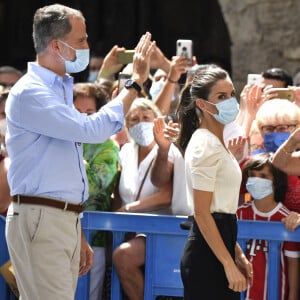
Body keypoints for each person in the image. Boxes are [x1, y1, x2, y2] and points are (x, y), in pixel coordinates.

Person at [4, 3, 154, 300]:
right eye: (81, 40)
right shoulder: (32, 91)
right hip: (42, 217)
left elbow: (64, 163)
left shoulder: (56, 89)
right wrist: (134, 83)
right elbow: (92, 130)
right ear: (56, 45)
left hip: (56, 218)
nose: (87, 46)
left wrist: (74, 227)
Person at [178, 65, 252, 299]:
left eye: (231, 94)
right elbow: (202, 213)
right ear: (202, 104)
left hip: (221, 245)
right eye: (221, 96)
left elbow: (222, 208)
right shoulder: (204, 144)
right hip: (206, 255)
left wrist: (236, 254)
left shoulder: (216, 143)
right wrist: (228, 264)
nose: (230, 101)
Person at [112, 98, 180, 300]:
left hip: (159, 228)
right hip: (128, 229)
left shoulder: (169, 150)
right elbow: (117, 194)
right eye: (133, 119)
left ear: (157, 121)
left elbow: (166, 195)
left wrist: (128, 210)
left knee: (123, 256)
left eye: (145, 117)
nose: (139, 122)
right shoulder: (125, 151)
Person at [73, 82, 119, 300]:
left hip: (94, 237)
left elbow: (92, 186)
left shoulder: (108, 147)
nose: (82, 117)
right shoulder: (59, 138)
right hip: (56, 229)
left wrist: (69, 155)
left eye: (89, 113)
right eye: (76, 112)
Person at [237, 152, 300, 300]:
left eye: (263, 176)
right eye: (252, 175)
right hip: (244, 294)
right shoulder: (239, 214)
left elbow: (293, 263)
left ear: (276, 181)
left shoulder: (286, 219)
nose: (256, 180)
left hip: (276, 293)